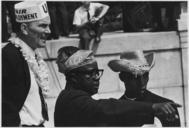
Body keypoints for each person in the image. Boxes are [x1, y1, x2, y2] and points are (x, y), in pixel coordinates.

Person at [54, 46, 181, 126]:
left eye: (97, 73)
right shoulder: (73, 99)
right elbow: (105, 107)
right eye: (90, 74)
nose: (96, 78)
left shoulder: (166, 107)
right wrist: (152, 108)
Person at [2, 1, 51, 126]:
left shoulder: (34, 54)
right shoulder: (8, 56)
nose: (49, 31)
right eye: (43, 26)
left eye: (48, 26)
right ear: (24, 28)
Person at [108, 50, 181, 126]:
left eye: (145, 76)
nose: (142, 83)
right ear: (122, 77)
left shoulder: (167, 108)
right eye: (135, 77)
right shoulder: (115, 110)